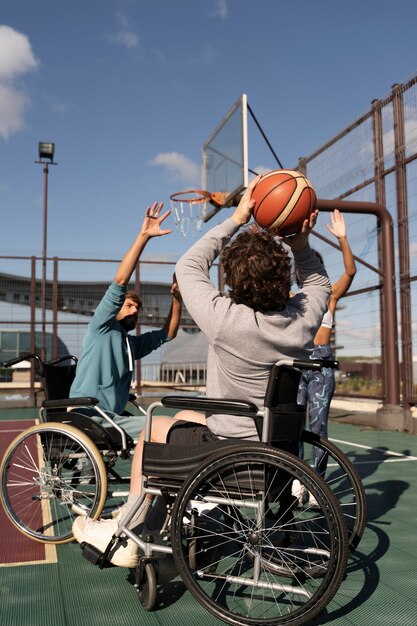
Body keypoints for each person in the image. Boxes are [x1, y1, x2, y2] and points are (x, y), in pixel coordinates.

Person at [72, 176, 331, 567]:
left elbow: (189, 263)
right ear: (284, 280)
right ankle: (153, 521)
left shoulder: (225, 319)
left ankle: (126, 529)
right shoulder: (302, 321)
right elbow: (319, 282)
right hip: (276, 447)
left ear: (234, 284)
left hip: (232, 450)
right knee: (184, 416)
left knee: (155, 427)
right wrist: (299, 242)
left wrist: (238, 216)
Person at [69, 202, 182, 442]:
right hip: (90, 415)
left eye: (138, 308)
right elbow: (120, 281)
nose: (135, 310)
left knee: (175, 423)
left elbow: (168, 334)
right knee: (167, 427)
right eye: (129, 305)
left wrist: (177, 299)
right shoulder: (101, 328)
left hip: (112, 416)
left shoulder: (128, 344)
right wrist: (144, 237)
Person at [296, 209, 356, 489]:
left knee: (318, 427)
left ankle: (316, 482)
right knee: (293, 425)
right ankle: (295, 478)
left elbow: (350, 270)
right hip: (296, 364)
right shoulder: (292, 299)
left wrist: (342, 239)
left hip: (320, 364)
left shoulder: (330, 296)